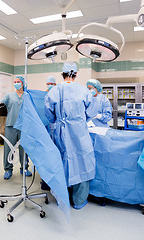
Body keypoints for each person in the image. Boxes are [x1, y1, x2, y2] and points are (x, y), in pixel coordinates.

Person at [44, 62, 97, 209]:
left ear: (62, 74)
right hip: (79, 131)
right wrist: (80, 120)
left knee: (62, 161)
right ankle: (79, 201)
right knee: (82, 162)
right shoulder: (83, 90)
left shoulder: (54, 91)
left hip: (61, 132)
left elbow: (48, 113)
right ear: (76, 74)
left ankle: (62, 197)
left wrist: (59, 121)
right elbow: (91, 111)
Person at [0, 76, 32, 180]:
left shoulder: (27, 96)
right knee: (8, 148)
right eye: (14, 82)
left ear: (23, 83)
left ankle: (24, 168)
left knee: (24, 149)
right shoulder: (9, 96)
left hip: (24, 126)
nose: (16, 83)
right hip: (11, 125)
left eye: (18, 82)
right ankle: (8, 169)